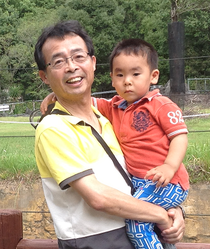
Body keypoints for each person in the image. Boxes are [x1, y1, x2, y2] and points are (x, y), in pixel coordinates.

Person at [35, 20, 185, 249]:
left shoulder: (109, 118)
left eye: (78, 56)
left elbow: (136, 179)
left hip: (139, 234)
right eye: (58, 61)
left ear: (93, 63)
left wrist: (174, 210)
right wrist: (161, 215)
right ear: (44, 76)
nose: (71, 66)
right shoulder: (54, 128)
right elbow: (98, 197)